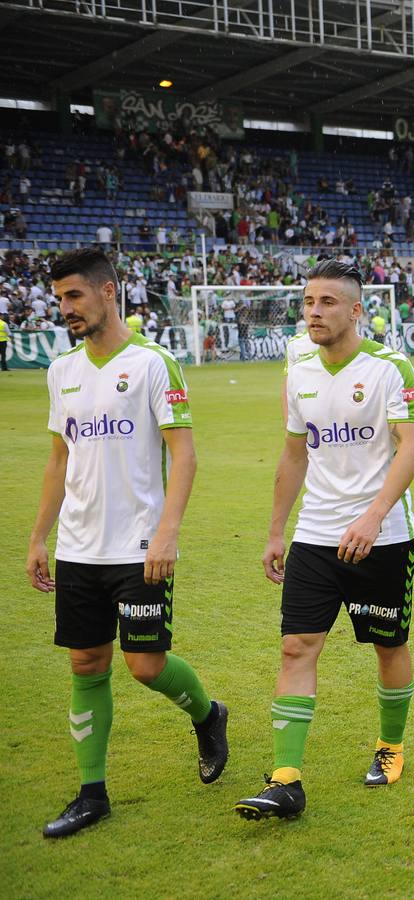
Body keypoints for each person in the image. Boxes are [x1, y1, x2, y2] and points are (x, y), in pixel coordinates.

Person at [26, 248, 229, 838]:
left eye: (75, 296)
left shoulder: (152, 364)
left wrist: (167, 531)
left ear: (108, 292)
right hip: (79, 546)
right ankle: (92, 793)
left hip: (139, 544)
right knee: (86, 663)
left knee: (145, 666)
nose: (65, 308)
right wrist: (40, 537)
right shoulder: (60, 371)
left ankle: (208, 713)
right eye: (60, 298)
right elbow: (59, 460)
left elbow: (183, 453)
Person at [235, 260, 414, 821]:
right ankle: (286, 778)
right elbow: (295, 453)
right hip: (316, 536)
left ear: (357, 309)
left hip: (383, 537)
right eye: (309, 302)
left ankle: (390, 745)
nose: (314, 312)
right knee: (296, 647)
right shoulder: (298, 373)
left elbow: (410, 448)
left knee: (388, 646)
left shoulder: (392, 367)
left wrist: (373, 515)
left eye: (328, 303)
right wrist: (276, 529)